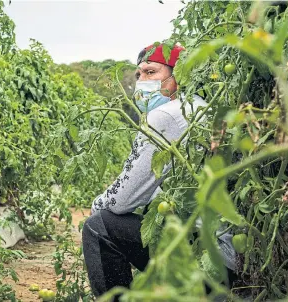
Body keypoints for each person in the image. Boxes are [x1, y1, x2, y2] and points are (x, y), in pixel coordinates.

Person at [81, 43, 236, 299]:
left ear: (178, 77)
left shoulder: (165, 115)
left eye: (152, 72)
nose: (142, 81)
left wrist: (97, 204)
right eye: (139, 74)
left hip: (204, 260)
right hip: (225, 257)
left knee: (99, 227)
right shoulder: (201, 107)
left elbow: (122, 200)